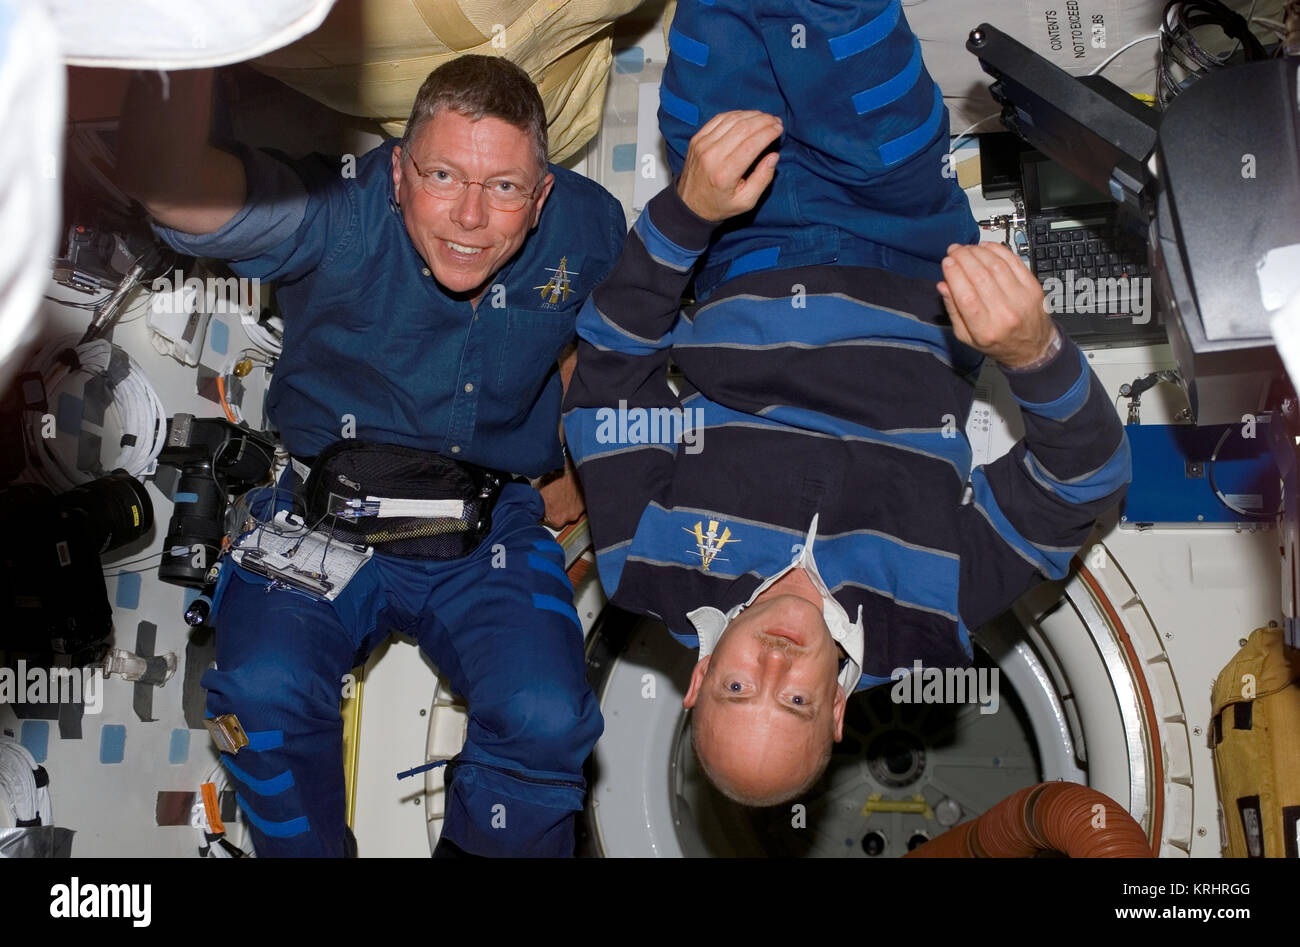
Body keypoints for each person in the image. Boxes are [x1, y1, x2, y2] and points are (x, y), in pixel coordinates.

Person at [563, 0, 1130, 806]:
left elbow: (608, 382)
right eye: (793, 700)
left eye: (736, 690)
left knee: (713, 23)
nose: (775, 665)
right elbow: (1085, 483)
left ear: (697, 681)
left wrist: (683, 216)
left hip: (735, 233)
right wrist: (1034, 353)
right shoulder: (936, 615)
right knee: (839, 18)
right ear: (834, 712)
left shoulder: (647, 567)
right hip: (904, 225)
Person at [116, 55, 626, 856]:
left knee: (548, 713)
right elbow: (181, 193)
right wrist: (172, 44)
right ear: (398, 172)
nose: (468, 216)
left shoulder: (590, 224)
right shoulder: (341, 209)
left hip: (489, 524)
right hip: (322, 507)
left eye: (503, 188)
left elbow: (595, 331)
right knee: (260, 692)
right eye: (443, 174)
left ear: (542, 195)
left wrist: (575, 459)